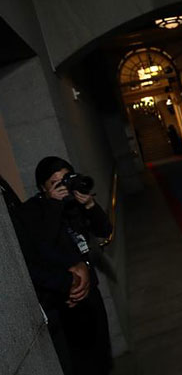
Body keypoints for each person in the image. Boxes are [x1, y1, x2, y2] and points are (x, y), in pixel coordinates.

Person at [15, 156, 113, 375]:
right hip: (64, 300)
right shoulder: (34, 211)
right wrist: (53, 204)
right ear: (43, 187)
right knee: (81, 364)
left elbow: (104, 230)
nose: (63, 186)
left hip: (91, 292)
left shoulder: (76, 202)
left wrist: (89, 205)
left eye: (66, 179)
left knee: (102, 356)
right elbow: (43, 247)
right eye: (55, 182)